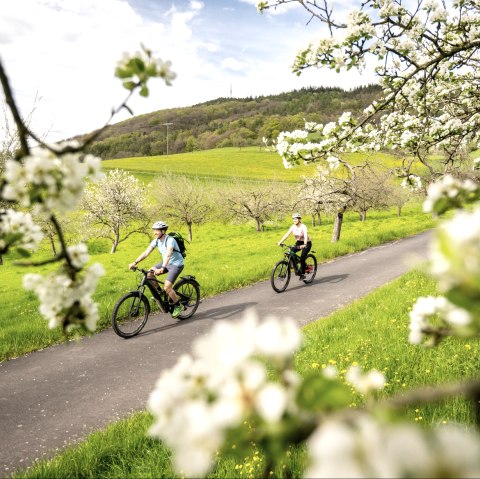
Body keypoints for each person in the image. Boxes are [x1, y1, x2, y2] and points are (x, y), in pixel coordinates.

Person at [129, 221, 185, 318]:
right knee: (149, 274)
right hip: (165, 263)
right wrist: (135, 262)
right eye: (154, 230)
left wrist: (163, 268)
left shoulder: (170, 240)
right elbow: (146, 252)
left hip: (176, 264)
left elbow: (168, 255)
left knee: (167, 287)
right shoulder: (156, 241)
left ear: (163, 231)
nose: (154, 232)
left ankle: (177, 305)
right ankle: (160, 293)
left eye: (157, 231)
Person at [277, 213, 312, 279]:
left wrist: (304, 244)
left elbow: (305, 236)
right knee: (290, 252)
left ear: (299, 219)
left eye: (295, 219)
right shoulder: (293, 226)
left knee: (302, 258)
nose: (294, 220)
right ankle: (296, 267)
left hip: (307, 243)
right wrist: (280, 242)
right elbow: (287, 234)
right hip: (299, 242)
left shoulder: (303, 226)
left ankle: (302, 274)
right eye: (293, 219)